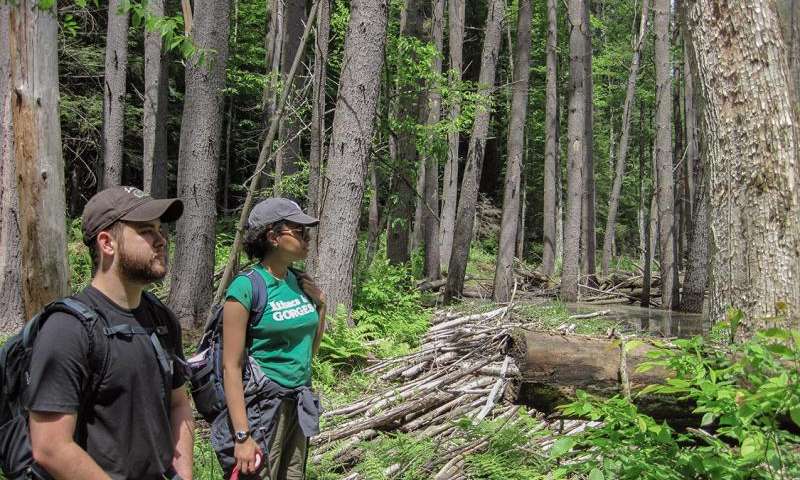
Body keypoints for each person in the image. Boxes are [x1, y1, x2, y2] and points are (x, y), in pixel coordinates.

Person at [26, 186, 194, 480]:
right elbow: (50, 446)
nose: (161, 240)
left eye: (159, 229)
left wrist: (183, 474)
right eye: (146, 231)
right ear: (107, 243)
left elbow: (178, 403)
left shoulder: (162, 318)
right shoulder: (67, 329)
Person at [221, 198, 326, 479]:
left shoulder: (299, 281)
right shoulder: (246, 287)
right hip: (263, 408)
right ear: (273, 236)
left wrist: (322, 306)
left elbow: (309, 351)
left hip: (299, 401)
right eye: (299, 231)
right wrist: (242, 436)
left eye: (308, 233)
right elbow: (230, 367)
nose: (307, 239)